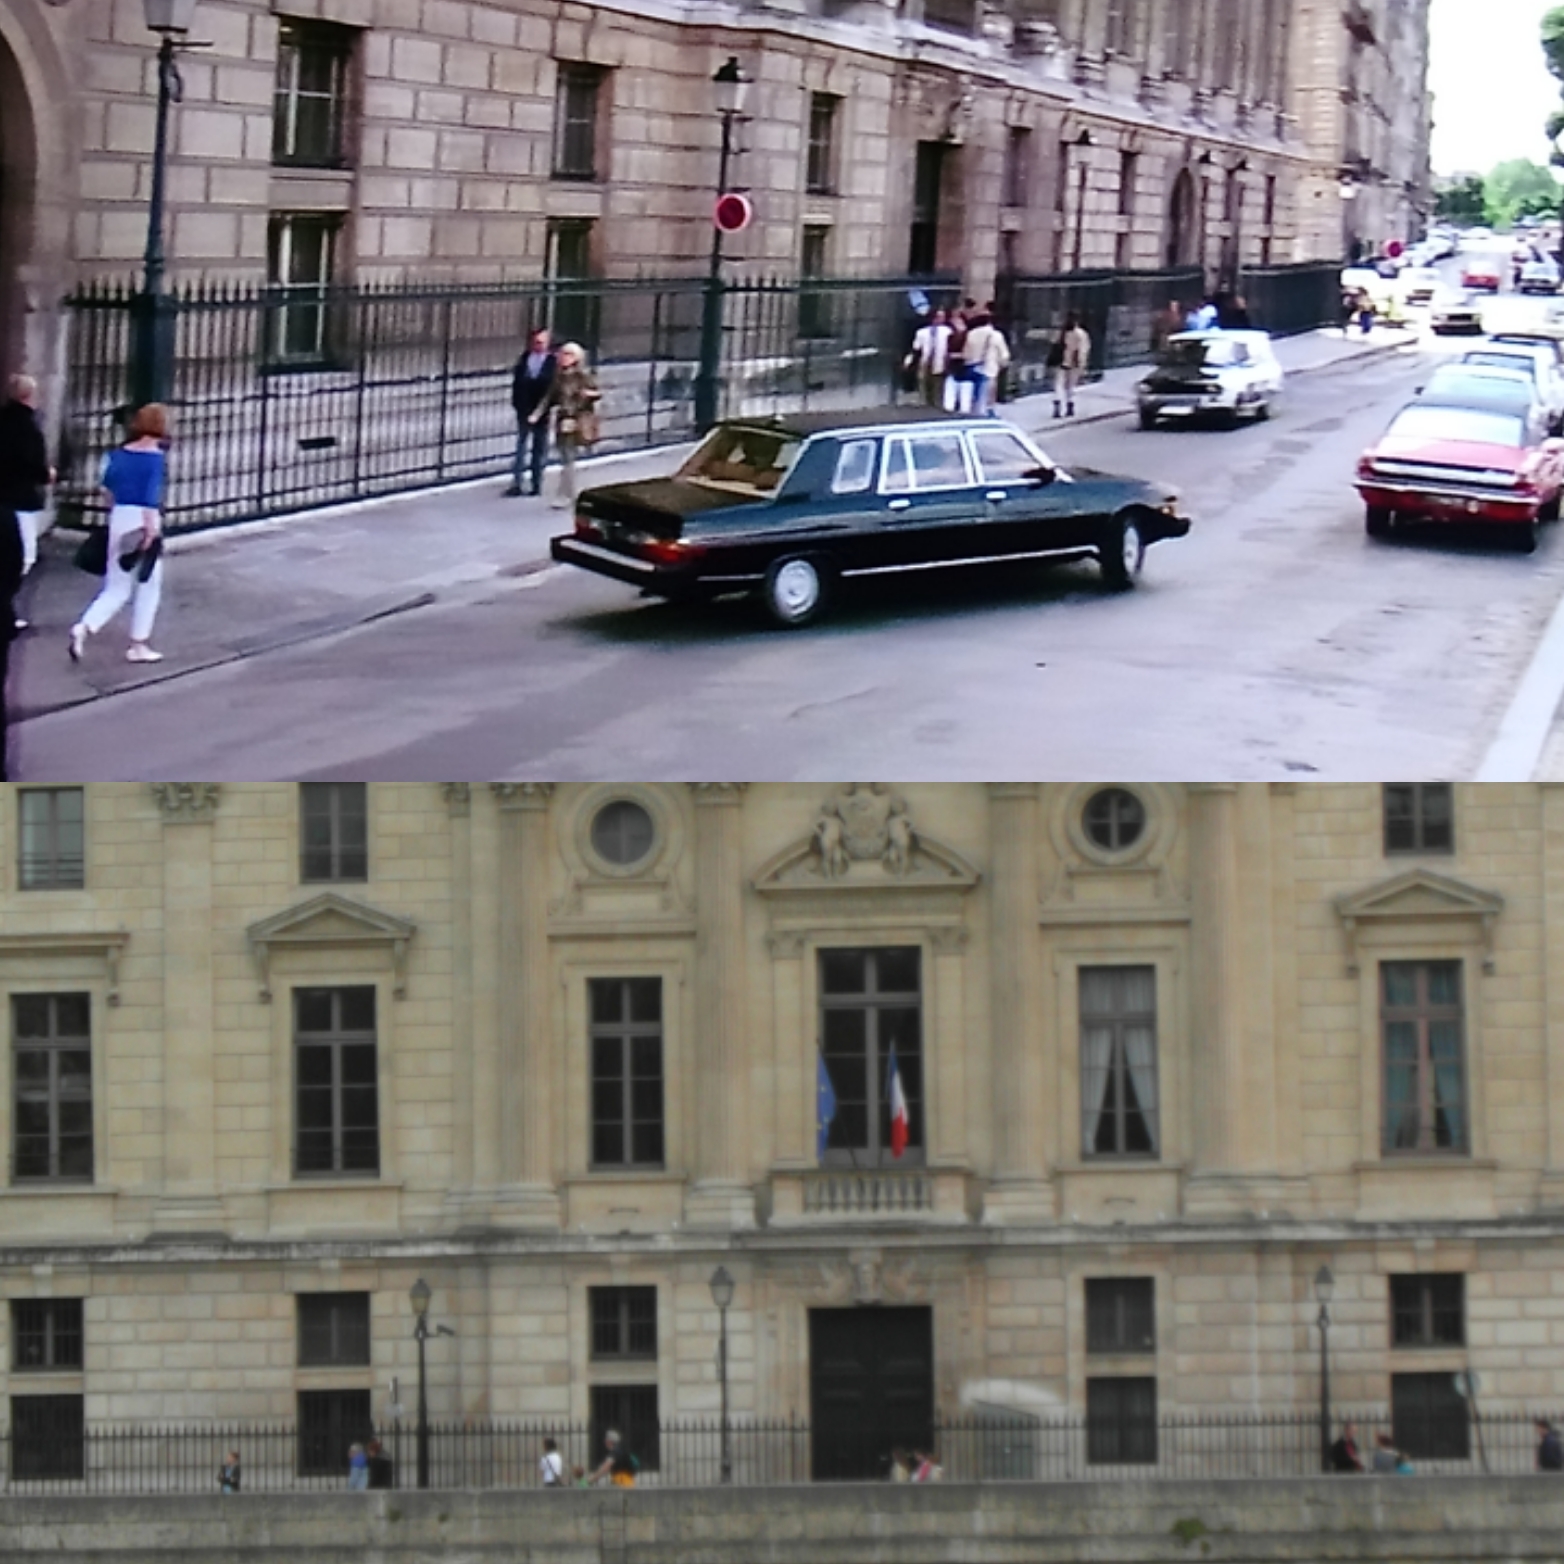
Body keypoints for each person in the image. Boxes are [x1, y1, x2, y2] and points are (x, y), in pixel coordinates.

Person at [69, 402, 168, 665]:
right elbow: (150, 495)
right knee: (149, 583)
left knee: (116, 586)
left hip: (120, 517)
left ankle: (85, 626)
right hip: (143, 519)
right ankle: (138, 643)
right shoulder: (154, 457)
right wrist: (150, 530)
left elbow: (107, 489)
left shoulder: (115, 455)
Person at [0, 373, 53, 633]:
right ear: (29, 396)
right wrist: (47, 474)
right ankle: (7, 607)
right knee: (24, 556)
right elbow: (31, 463)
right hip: (19, 498)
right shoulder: (28, 428)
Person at [506, 327, 557, 498]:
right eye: (536, 342)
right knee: (521, 447)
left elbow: (552, 387)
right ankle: (517, 483)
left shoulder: (552, 361)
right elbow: (517, 383)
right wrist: (518, 405)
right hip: (524, 409)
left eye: (542, 342)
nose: (539, 345)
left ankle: (536, 483)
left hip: (541, 411)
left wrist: (546, 408)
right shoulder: (524, 359)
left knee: (538, 448)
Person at [550, 341, 601, 509]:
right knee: (565, 458)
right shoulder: (559, 376)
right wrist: (537, 413)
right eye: (562, 354)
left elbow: (598, 392)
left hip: (577, 419)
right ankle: (568, 493)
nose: (563, 357)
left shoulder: (582, 376)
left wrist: (587, 394)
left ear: (577, 358)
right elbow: (550, 396)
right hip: (563, 419)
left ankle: (565, 494)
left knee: (568, 459)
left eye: (569, 354)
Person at [962, 305, 1011, 415]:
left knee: (975, 395)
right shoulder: (996, 335)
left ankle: (974, 412)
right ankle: (987, 412)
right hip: (990, 370)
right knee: (988, 395)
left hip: (973, 368)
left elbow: (965, 354)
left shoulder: (971, 334)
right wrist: (1002, 365)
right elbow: (1004, 355)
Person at [906, 308, 954, 408]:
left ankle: (936, 405)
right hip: (925, 361)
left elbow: (951, 346)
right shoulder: (922, 332)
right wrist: (909, 361)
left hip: (940, 362)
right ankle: (924, 404)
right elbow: (916, 348)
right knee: (923, 383)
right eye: (939, 317)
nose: (941, 319)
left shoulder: (947, 331)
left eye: (943, 317)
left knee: (938, 385)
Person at [1053, 312, 1091, 419]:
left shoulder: (1062, 332)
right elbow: (1083, 350)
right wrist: (1082, 365)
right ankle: (1070, 406)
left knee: (1059, 385)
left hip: (1061, 362)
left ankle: (1057, 405)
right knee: (1070, 386)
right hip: (1074, 363)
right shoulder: (1081, 334)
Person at [943, 304, 974, 413]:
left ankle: (962, 406)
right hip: (955, 361)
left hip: (962, 361)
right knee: (953, 382)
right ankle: (952, 405)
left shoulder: (966, 329)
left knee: (962, 383)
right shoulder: (950, 330)